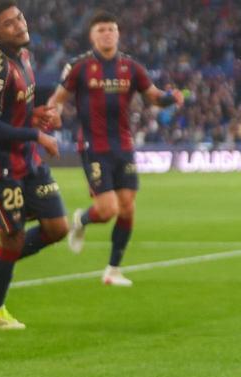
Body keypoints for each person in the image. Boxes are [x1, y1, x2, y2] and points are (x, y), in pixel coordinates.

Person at [47, 9, 183, 287]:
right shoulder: (79, 66)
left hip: (124, 146)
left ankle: (112, 270)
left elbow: (154, 96)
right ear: (92, 36)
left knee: (128, 208)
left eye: (111, 29)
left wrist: (171, 98)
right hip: (94, 146)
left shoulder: (131, 68)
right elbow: (58, 97)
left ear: (118, 33)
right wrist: (54, 113)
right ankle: (82, 219)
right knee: (107, 210)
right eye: (101, 30)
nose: (107, 34)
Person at [0, 0, 67, 330]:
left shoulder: (23, 56)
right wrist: (37, 135)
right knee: (12, 239)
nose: (19, 25)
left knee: (57, 228)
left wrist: (35, 115)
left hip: (28, 160)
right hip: (0, 168)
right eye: (9, 23)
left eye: (20, 17)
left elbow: (14, 109)